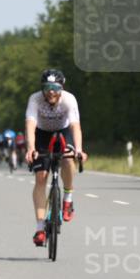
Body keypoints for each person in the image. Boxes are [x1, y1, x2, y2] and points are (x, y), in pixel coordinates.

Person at [25, 69, 87, 246]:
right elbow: (30, 125)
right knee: (41, 178)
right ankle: (39, 227)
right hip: (42, 135)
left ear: (61, 87)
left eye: (55, 87)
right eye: (47, 87)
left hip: (63, 132)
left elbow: (75, 126)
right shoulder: (35, 99)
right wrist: (30, 148)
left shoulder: (69, 99)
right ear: (42, 88)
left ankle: (67, 199)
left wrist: (79, 150)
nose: (51, 91)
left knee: (68, 158)